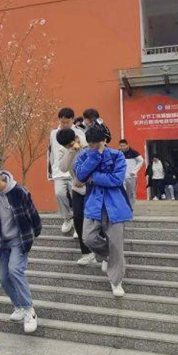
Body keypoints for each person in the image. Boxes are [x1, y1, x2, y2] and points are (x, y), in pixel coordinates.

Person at [0, 165, 42, 334]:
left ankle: (29, 311)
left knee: (15, 270)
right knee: (4, 278)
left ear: (0, 178)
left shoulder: (19, 192)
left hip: (18, 240)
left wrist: (33, 234)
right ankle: (18, 306)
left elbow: (33, 214)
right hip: (0, 242)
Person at [74, 127, 132, 297]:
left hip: (115, 205)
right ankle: (109, 257)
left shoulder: (117, 155)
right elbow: (80, 175)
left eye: (96, 144)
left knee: (116, 244)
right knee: (88, 238)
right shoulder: (84, 155)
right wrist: (94, 156)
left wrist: (93, 178)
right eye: (90, 144)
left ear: (104, 141)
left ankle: (116, 281)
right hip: (93, 204)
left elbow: (116, 179)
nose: (93, 147)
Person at [56, 129, 95, 265]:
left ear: (76, 137)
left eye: (70, 144)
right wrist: (71, 150)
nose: (68, 147)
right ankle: (87, 253)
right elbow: (63, 167)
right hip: (77, 188)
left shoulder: (87, 143)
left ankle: (102, 250)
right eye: (65, 146)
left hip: (92, 186)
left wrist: (82, 148)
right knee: (78, 218)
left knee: (96, 218)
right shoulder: (64, 150)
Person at [48, 107, 86, 235]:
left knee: (76, 197)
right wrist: (50, 171)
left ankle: (77, 222)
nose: (64, 124)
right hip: (59, 169)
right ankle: (67, 219)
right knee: (59, 194)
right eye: (62, 122)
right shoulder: (54, 133)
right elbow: (51, 153)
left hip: (75, 171)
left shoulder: (79, 133)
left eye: (67, 122)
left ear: (72, 120)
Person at [118, 139, 144, 206]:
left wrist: (134, 171)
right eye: (121, 146)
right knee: (121, 192)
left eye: (124, 146)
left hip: (131, 176)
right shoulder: (118, 153)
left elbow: (141, 160)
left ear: (127, 145)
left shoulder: (133, 152)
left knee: (131, 193)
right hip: (121, 176)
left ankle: (130, 206)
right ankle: (123, 206)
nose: (122, 147)